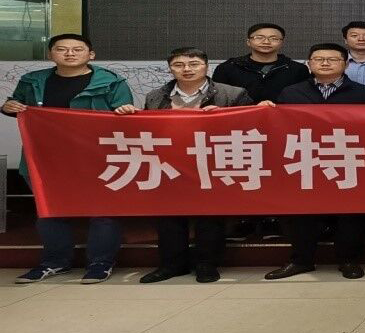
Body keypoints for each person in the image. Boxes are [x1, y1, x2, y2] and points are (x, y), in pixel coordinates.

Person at [115, 47, 255, 284]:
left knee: (209, 217)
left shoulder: (232, 93)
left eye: (194, 64)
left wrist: (225, 117)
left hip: (212, 162)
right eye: (179, 65)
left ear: (206, 66)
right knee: (168, 216)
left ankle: (207, 264)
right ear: (170, 68)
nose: (187, 69)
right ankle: (172, 265)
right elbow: (148, 129)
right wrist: (128, 114)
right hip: (169, 163)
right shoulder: (156, 96)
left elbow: (252, 126)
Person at [5, 34, 134, 284]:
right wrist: (8, 107)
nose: (70, 53)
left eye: (77, 49)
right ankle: (54, 262)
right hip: (45, 156)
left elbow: (124, 114)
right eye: (62, 49)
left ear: (91, 54)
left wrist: (125, 111)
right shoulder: (32, 81)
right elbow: (17, 105)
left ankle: (100, 263)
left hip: (96, 156)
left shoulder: (112, 81)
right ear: (50, 54)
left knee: (103, 211)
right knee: (50, 211)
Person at [265, 43, 365, 280]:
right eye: (318, 59)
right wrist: (264, 111)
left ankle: (348, 260)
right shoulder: (291, 93)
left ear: (345, 64)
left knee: (349, 214)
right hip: (305, 160)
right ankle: (301, 260)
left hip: (347, 160)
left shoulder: (364, 94)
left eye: (332, 59)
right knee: (302, 212)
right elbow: (277, 126)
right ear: (309, 64)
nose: (325, 63)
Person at [212, 22, 310, 242]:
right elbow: (220, 97)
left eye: (273, 38)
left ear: (282, 43)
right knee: (244, 174)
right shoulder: (228, 68)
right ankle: (244, 219)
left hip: (282, 132)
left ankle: (273, 219)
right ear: (248, 41)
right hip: (240, 132)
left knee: (278, 175)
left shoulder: (296, 69)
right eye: (259, 37)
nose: (266, 42)